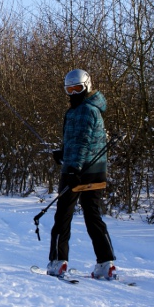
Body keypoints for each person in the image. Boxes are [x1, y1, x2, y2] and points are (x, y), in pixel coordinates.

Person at [47, 69, 116, 279]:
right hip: (94, 171)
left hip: (79, 172)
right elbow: (77, 141)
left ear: (86, 86)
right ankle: (106, 263)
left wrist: (73, 167)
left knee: (63, 216)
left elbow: (83, 142)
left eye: (77, 88)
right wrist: (64, 153)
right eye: (69, 89)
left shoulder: (85, 110)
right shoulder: (84, 109)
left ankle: (58, 262)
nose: (73, 93)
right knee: (92, 215)